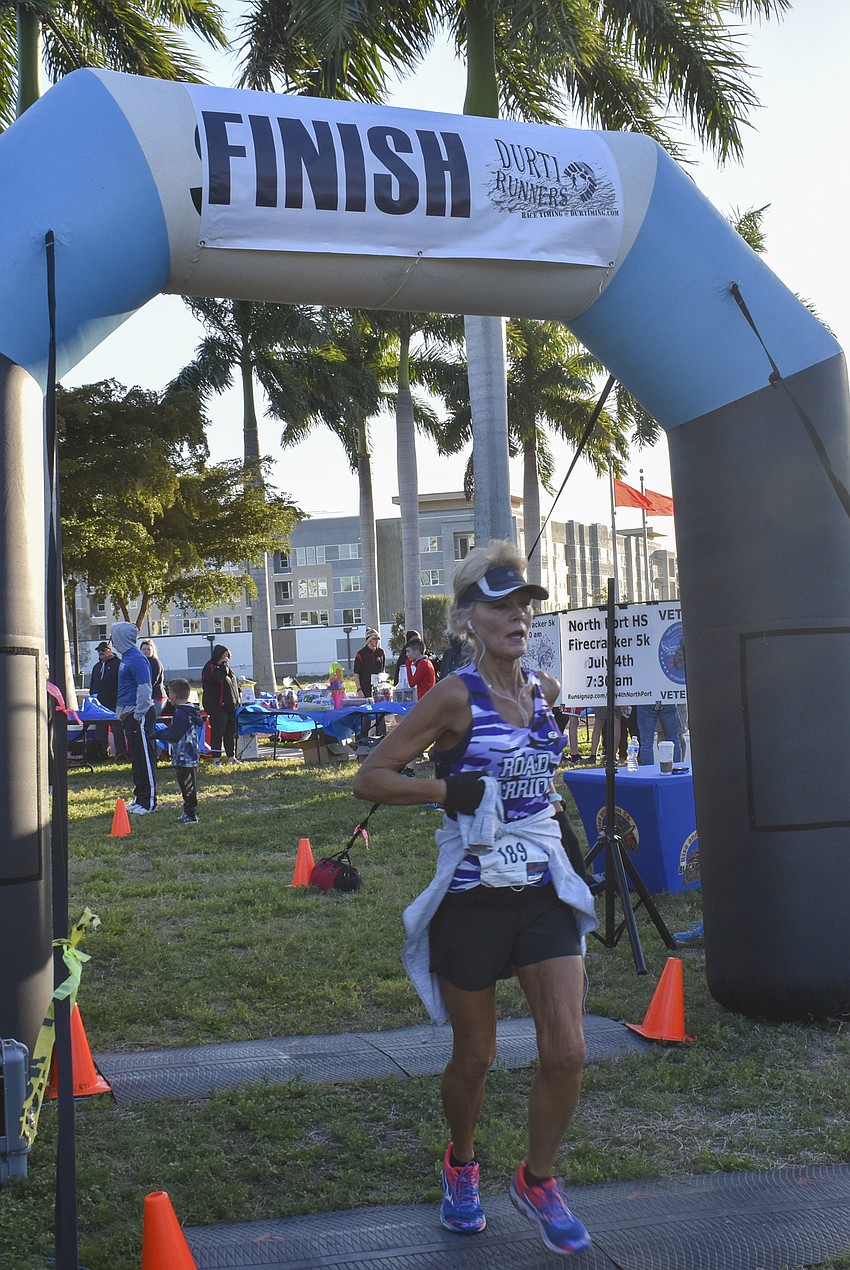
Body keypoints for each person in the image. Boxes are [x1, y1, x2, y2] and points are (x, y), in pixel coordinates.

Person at [353, 540, 597, 1256]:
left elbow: (538, 781)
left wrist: (557, 836)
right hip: (472, 898)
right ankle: (461, 1164)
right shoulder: (454, 694)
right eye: (501, 604)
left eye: (525, 602)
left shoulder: (546, 691)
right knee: (476, 1057)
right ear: (468, 619)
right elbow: (371, 777)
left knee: (569, 1052)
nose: (518, 615)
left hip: (540, 891)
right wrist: (446, 789)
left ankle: (538, 1180)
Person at [112, 622, 157, 813]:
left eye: (114, 636)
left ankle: (149, 802)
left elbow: (145, 688)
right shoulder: (126, 657)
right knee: (137, 758)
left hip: (140, 714)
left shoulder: (137, 659)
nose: (112, 640)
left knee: (145, 758)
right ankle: (139, 798)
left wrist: (139, 714)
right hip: (130, 715)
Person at [158, 678, 203, 824]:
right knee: (185, 784)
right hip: (185, 755)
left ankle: (190, 814)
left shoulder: (182, 713)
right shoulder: (187, 711)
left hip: (185, 756)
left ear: (175, 695)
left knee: (188, 786)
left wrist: (157, 734)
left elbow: (175, 734)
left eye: (169, 692)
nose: (168, 695)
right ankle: (187, 812)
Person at [201, 644, 241, 764]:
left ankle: (231, 757)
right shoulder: (211, 667)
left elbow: (232, 683)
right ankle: (216, 759)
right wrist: (223, 667)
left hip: (230, 705)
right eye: (223, 655)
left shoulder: (228, 669)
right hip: (217, 706)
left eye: (227, 656)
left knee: (230, 732)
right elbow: (216, 680)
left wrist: (238, 696)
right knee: (217, 733)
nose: (225, 658)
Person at [88, 640, 126, 760]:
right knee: (100, 731)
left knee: (117, 730)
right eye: (99, 651)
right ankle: (101, 754)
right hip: (100, 705)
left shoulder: (118, 664)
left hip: (114, 704)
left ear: (110, 650)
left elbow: (121, 684)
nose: (101, 653)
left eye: (103, 650)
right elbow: (93, 684)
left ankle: (121, 754)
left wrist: (117, 698)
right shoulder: (96, 667)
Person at [353, 628, 387, 741]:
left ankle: (382, 739)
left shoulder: (381, 652)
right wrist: (359, 690)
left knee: (380, 715)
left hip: (378, 690)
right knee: (365, 717)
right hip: (365, 689)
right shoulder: (360, 654)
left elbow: (382, 670)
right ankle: (362, 740)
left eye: (377, 639)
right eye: (374, 639)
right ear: (368, 640)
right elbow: (356, 674)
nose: (376, 641)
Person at [636, 701, 682, 766]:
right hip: (667, 698)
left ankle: (648, 772)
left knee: (646, 742)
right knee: (673, 740)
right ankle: (677, 768)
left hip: (646, 699)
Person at [139, 637, 166, 715]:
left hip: (156, 697)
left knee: (152, 720)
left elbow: (153, 681)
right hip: (147, 697)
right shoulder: (142, 663)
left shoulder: (155, 662)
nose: (146, 651)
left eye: (148, 649)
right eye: (144, 649)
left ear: (152, 651)